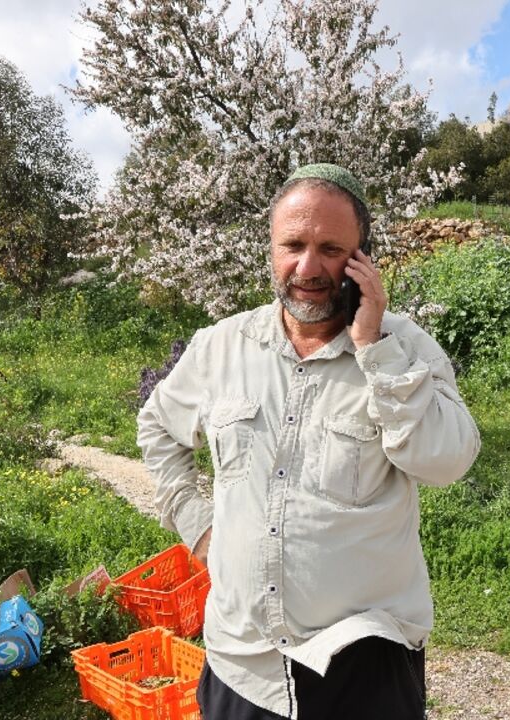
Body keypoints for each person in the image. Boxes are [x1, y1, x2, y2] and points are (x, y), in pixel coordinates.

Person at [137, 163, 481, 719]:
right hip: (243, 663)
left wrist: (374, 348)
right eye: (292, 244)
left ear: (362, 259)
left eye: (330, 248)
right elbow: (157, 426)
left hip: (363, 664)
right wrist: (196, 524)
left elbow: (447, 461)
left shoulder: (406, 348)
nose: (308, 267)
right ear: (272, 250)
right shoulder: (221, 346)